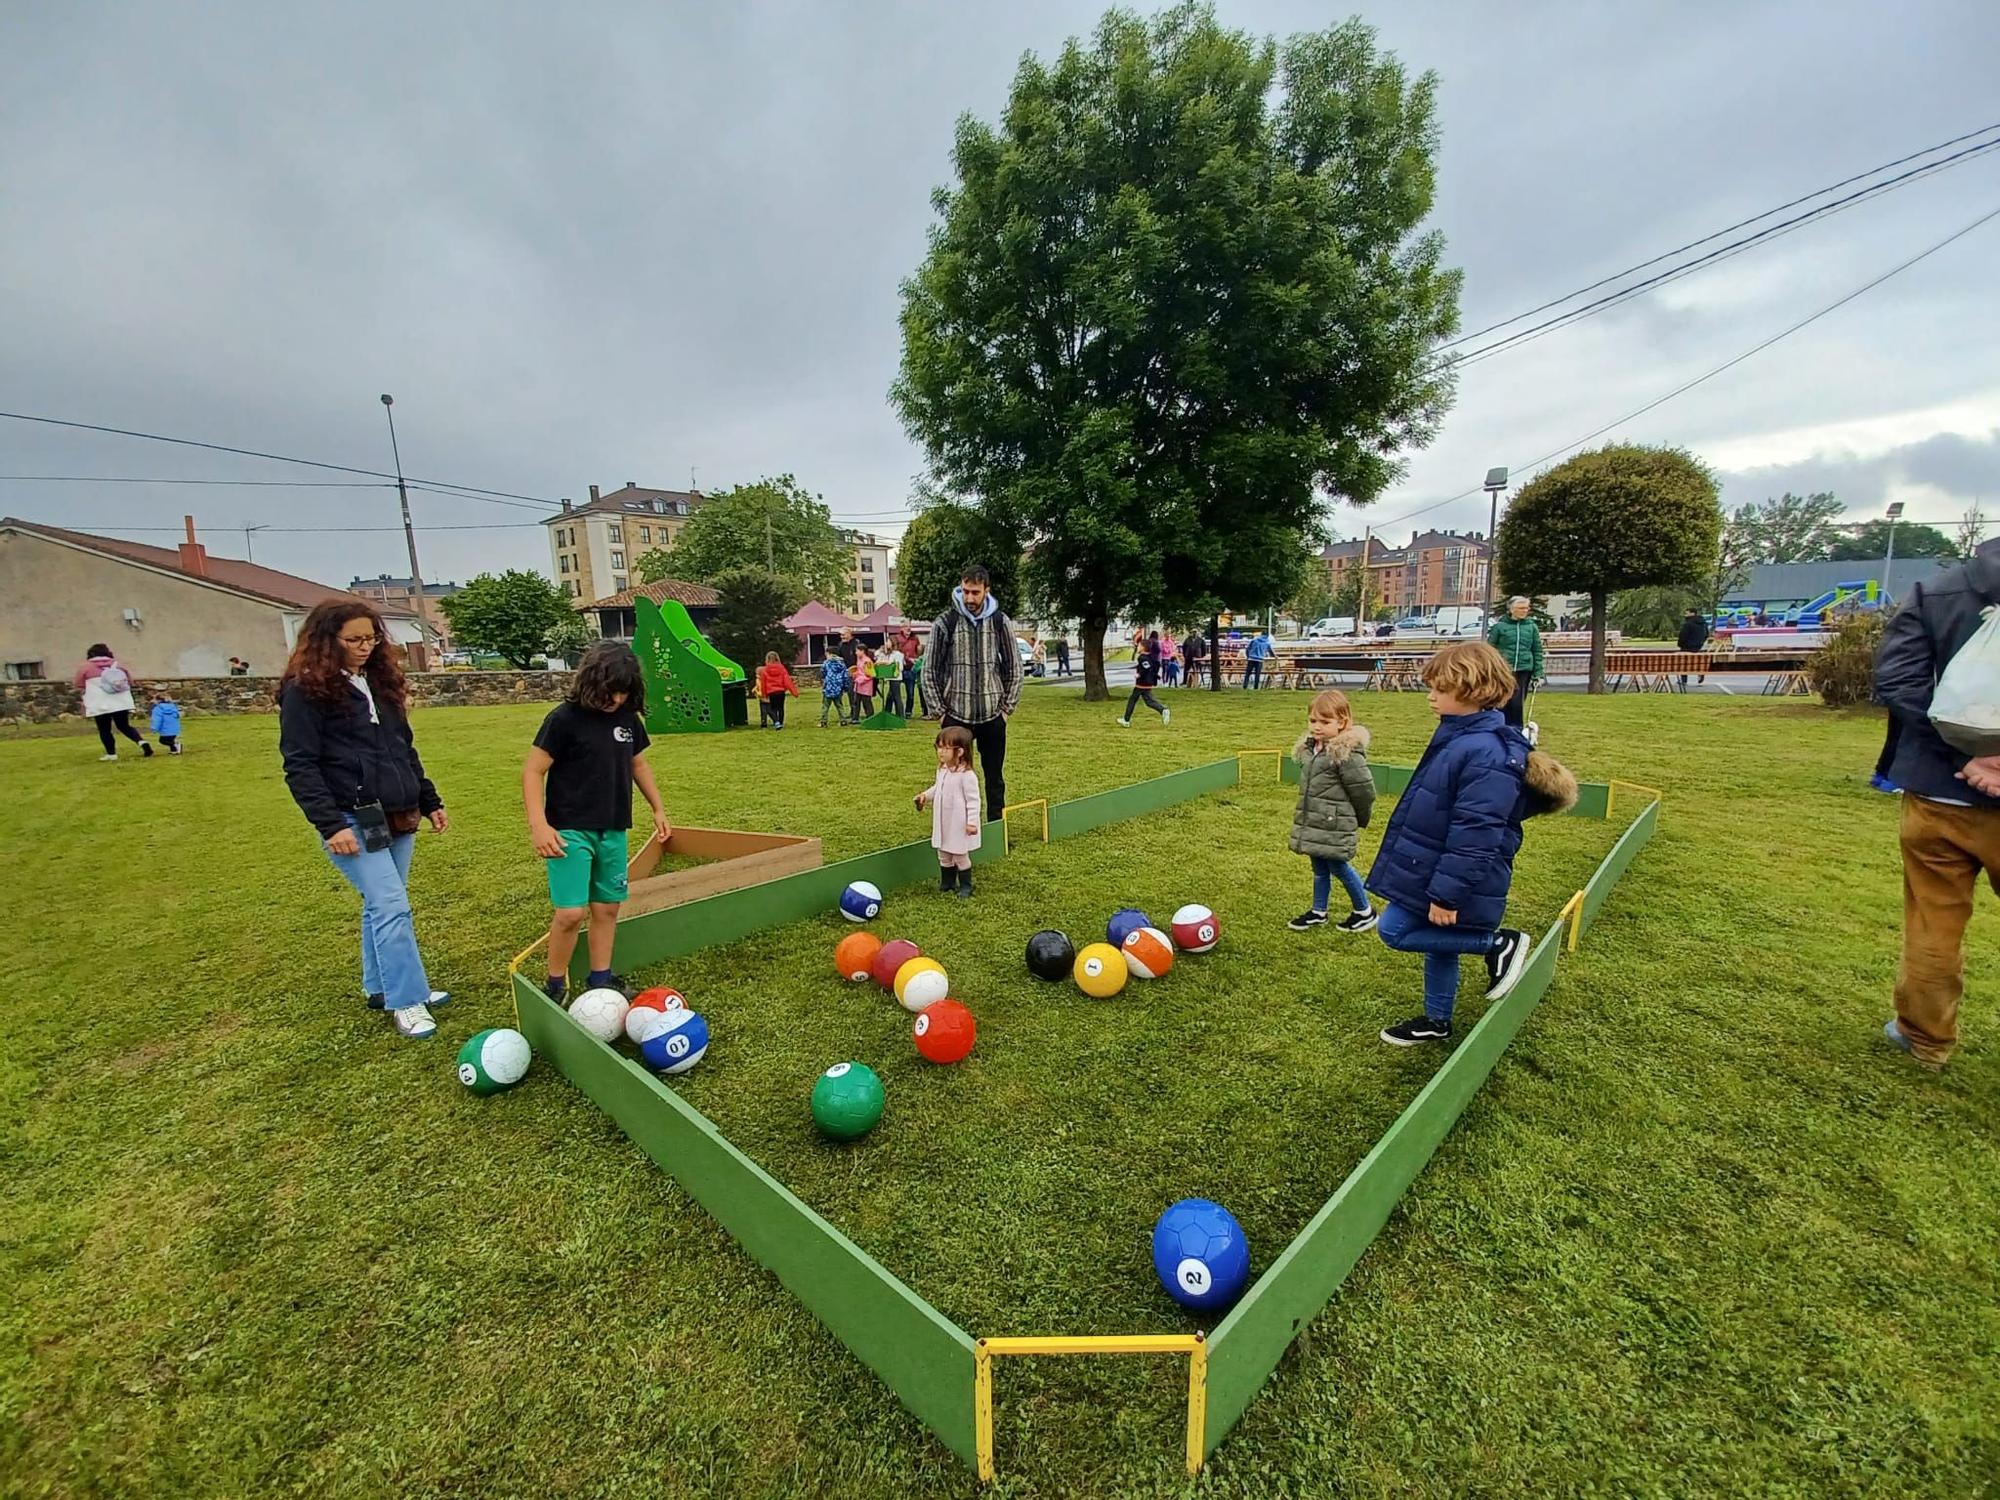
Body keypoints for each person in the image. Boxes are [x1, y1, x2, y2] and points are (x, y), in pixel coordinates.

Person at [1366, 641, 1575, 1046]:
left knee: (1393, 930)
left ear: (1472, 690)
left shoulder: (1485, 752)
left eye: (1439, 689)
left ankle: (1498, 945)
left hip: (1455, 874)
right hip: (1433, 864)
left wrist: (1447, 894)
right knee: (1440, 944)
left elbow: (1478, 831)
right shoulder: (1461, 737)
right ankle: (1436, 1020)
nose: (1430, 696)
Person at [277, 600, 447, 1040]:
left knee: (382, 905)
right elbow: (300, 764)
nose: (365, 647)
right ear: (327, 640)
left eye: (371, 638)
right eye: (354, 640)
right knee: (392, 906)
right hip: (351, 816)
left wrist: (429, 800)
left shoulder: (380, 681)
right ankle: (407, 999)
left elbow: (402, 748)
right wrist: (330, 825)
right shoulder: (305, 690)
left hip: (396, 812)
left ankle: (380, 987)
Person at [1873, 538, 2000, 1069]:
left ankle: (1925, 1038)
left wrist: (1971, 754)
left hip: (1941, 786)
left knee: (1932, 924)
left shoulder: (1938, 591)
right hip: (1944, 787)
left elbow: (1899, 679)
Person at [524, 640, 671, 1003]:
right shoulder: (563, 719)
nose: (617, 700)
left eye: (624, 692)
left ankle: (600, 978)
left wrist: (658, 808)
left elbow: (639, 764)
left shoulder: (627, 720)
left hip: (613, 828)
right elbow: (533, 771)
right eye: (610, 691)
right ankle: (555, 985)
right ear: (591, 683)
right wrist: (539, 826)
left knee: (606, 907)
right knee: (572, 912)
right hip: (569, 831)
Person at [924, 564, 1021, 817]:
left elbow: (1015, 667)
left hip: (992, 715)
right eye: (965, 591)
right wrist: (940, 714)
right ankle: (957, 830)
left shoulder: (1000, 622)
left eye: (975, 592)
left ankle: (995, 829)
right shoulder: (945, 622)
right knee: (953, 778)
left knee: (994, 778)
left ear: (986, 591)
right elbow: (929, 670)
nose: (969, 598)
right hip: (955, 716)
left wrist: (1006, 709)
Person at [1286, 689, 1377, 933]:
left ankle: (1364, 911)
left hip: (1334, 823)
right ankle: (1318, 911)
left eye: (1325, 722)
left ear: (1342, 722)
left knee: (1339, 867)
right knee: (1318, 867)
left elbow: (1364, 791)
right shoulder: (1312, 750)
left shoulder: (1346, 754)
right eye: (1313, 720)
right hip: (1314, 821)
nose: (1316, 727)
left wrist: (1358, 819)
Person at [915, 724, 982, 898]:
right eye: (939, 747)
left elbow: (974, 801)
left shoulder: (967, 776)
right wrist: (925, 796)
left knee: (959, 854)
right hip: (943, 821)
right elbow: (938, 788)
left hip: (959, 824)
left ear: (959, 752)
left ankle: (966, 885)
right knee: (944, 853)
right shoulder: (942, 770)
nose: (941, 752)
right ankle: (947, 882)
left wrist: (972, 823)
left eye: (946, 748)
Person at [76, 643, 152, 761]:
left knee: (104, 729)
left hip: (99, 702)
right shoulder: (118, 666)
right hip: (120, 701)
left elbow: (78, 684)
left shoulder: (86, 667)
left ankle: (111, 754)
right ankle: (142, 742)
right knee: (124, 726)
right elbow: (130, 682)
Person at [1487, 597, 1545, 729]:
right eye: (1521, 608)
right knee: (1502, 700)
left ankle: (1516, 729)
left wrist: (1538, 673)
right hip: (1504, 670)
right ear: (1512, 609)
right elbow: (1490, 648)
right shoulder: (1499, 627)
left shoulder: (1531, 627)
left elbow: (1537, 650)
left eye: (1526, 608)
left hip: (1524, 669)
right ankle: (1500, 726)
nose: (1525, 611)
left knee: (1517, 703)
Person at [1119, 631, 1171, 727]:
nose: (1137, 647)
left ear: (1143, 648)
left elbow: (1146, 668)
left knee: (1132, 699)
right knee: (1149, 701)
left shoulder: (1142, 658)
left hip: (1142, 683)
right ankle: (1163, 710)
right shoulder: (1150, 657)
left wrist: (1139, 674)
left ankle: (1126, 720)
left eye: (1139, 646)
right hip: (1147, 682)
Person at [756, 651, 798, 730]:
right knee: (781, 708)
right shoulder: (782, 668)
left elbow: (763, 683)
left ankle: (776, 722)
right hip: (781, 691)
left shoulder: (765, 670)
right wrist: (794, 692)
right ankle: (780, 723)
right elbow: (787, 681)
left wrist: (764, 694)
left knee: (773, 708)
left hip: (771, 692)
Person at [1677, 608, 1711, 690]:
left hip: (1686, 646)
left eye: (1687, 613)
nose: (1685, 614)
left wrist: (1680, 644)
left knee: (1684, 662)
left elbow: (1683, 635)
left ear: (1692, 613)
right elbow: (1706, 633)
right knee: (1697, 660)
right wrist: (1701, 642)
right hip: (1698, 645)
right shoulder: (1703, 623)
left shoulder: (1688, 624)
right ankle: (1700, 672)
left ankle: (1684, 680)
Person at [819, 652, 850, 728]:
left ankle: (823, 722)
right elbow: (846, 676)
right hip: (838, 687)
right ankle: (843, 720)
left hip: (828, 687)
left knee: (825, 706)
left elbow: (822, 673)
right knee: (839, 705)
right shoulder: (842, 664)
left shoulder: (826, 663)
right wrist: (846, 687)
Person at [877, 639, 906, 716]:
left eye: (888, 641)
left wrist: (887, 663)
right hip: (890, 677)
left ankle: (900, 715)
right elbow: (877, 655)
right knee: (890, 696)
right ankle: (887, 712)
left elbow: (899, 666)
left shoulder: (898, 654)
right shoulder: (888, 653)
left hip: (896, 678)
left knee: (897, 696)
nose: (886, 643)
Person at [853, 645, 877, 719]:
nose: (856, 653)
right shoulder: (859, 659)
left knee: (866, 702)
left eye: (857, 651)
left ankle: (870, 717)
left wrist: (860, 679)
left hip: (866, 685)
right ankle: (855, 718)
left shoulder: (867, 661)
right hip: (858, 685)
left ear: (862, 651)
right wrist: (855, 674)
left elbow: (871, 674)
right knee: (856, 702)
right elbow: (859, 670)